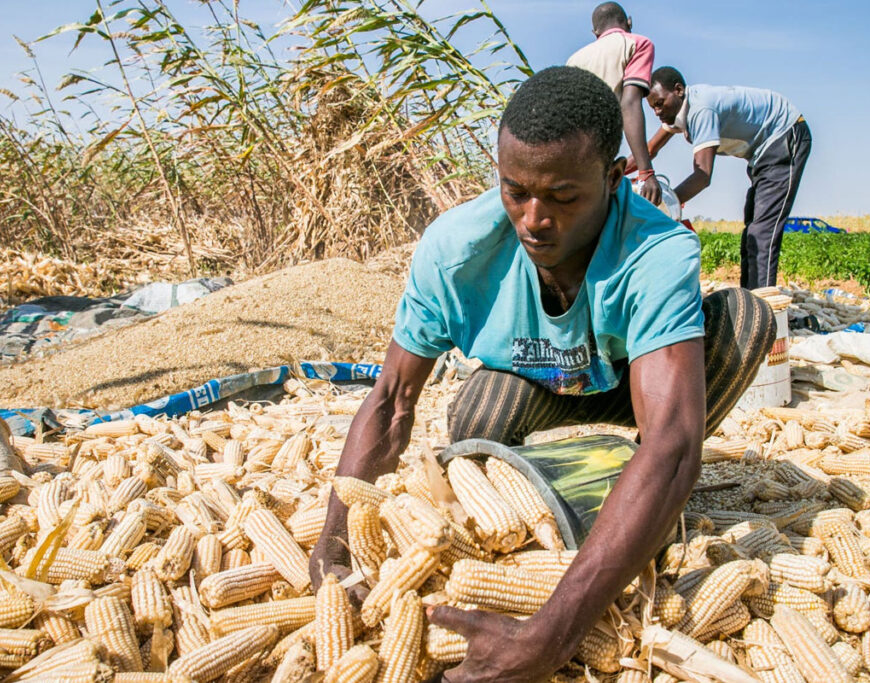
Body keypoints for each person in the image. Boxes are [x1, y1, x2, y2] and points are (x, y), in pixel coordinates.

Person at [309, 66, 775, 682]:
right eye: (516, 191)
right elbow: (392, 399)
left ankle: (632, 504)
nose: (533, 218)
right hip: (541, 390)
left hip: (629, 400)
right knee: (480, 414)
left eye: (561, 196)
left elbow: (673, 443)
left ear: (612, 179)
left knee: (746, 320)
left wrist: (550, 635)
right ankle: (554, 517)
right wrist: (334, 541)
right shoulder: (455, 252)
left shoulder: (655, 252)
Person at [638, 66, 812, 289]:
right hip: (762, 153)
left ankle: (763, 307)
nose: (657, 112)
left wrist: (664, 207)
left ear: (679, 90)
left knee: (762, 231)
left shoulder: (701, 109)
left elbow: (702, 176)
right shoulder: (678, 113)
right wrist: (615, 172)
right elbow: (650, 149)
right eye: (652, 108)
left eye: (660, 103)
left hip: (784, 133)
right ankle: (750, 300)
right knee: (752, 229)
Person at [567, 2, 661, 204]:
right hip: (601, 153)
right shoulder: (637, 44)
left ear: (595, 32)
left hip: (572, 156)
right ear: (629, 22)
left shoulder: (574, 59)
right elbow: (630, 103)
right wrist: (646, 171)